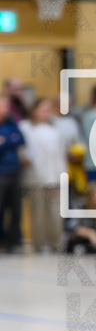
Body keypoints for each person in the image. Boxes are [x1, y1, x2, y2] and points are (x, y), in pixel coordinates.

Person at [19, 98, 67, 253]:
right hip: (35, 177)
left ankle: (55, 241)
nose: (45, 113)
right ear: (34, 110)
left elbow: (61, 154)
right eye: (42, 109)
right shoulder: (26, 127)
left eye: (48, 109)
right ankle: (40, 243)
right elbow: (23, 151)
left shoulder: (55, 129)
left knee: (54, 211)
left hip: (55, 176)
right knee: (37, 212)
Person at [0, 95, 25, 253]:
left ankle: (13, 242)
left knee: (16, 209)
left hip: (15, 171)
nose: (6, 108)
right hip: (1, 173)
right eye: (3, 105)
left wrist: (5, 140)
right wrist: (11, 140)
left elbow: (21, 139)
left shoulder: (11, 123)